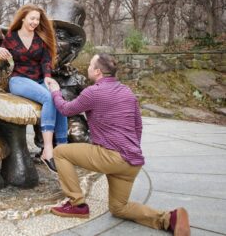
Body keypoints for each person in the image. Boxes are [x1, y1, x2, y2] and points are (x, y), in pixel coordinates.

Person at [48, 53, 190, 235]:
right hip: (132, 162)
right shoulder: (127, 92)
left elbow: (66, 109)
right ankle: (169, 219)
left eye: (91, 65)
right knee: (118, 208)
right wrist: (129, 151)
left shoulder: (93, 92)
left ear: (98, 71)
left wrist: (55, 91)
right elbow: (138, 127)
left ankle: (77, 204)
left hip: (112, 157)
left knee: (60, 152)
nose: (88, 68)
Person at [0, 4, 68, 173]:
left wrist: (49, 79)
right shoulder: (12, 37)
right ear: (23, 18)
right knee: (49, 98)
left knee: (58, 98)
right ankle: (47, 149)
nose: (35, 22)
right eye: (32, 18)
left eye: (37, 19)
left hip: (39, 79)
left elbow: (45, 61)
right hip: (19, 80)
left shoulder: (40, 38)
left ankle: (63, 149)